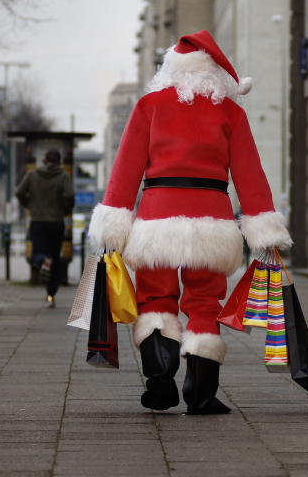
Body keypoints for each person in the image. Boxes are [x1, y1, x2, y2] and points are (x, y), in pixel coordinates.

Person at [88, 30, 291, 415]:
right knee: (204, 303)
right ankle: (201, 394)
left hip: (156, 219)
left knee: (155, 297)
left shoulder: (150, 105)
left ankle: (160, 379)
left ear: (171, 70)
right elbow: (250, 174)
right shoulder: (231, 112)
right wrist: (264, 229)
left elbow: (126, 167)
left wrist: (113, 222)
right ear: (213, 73)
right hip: (212, 220)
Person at [15, 148, 75, 307]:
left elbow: (19, 191)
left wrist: (28, 204)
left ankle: (42, 259)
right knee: (54, 259)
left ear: (45, 161)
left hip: (37, 221)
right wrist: (66, 209)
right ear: (60, 161)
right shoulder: (64, 177)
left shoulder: (32, 175)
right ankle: (50, 296)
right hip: (56, 222)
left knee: (37, 252)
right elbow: (69, 195)